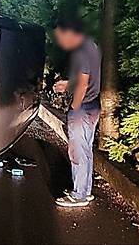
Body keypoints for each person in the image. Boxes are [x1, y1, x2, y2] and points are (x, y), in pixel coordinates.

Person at [52, 17, 101, 207]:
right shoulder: (92, 46)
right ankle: (84, 190)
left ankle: (79, 194)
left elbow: (83, 81)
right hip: (93, 104)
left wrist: (73, 105)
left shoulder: (81, 51)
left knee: (77, 151)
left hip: (83, 106)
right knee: (86, 150)